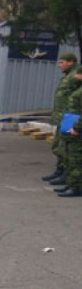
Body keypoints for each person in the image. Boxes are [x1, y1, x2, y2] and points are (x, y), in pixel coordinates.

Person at [42, 53, 80, 186]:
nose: (60, 65)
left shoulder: (76, 75)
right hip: (62, 117)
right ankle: (60, 171)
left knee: (64, 146)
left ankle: (66, 174)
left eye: (62, 62)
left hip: (70, 117)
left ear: (71, 62)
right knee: (58, 145)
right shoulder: (69, 76)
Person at [59, 68, 82, 197]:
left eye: (78, 74)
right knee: (70, 158)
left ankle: (76, 187)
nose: (75, 76)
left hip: (77, 130)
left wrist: (78, 129)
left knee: (76, 159)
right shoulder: (78, 88)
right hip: (72, 126)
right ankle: (71, 183)